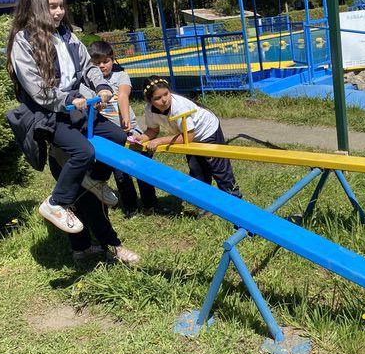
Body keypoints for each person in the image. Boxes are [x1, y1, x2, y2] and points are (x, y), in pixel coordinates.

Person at [6, 0, 127, 234]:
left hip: (74, 108)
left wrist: (102, 86)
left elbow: (87, 66)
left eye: (61, 6)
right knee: (83, 152)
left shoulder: (66, 35)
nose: (59, 12)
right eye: (52, 7)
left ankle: (95, 181)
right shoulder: (23, 41)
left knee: (117, 136)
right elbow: (38, 89)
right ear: (36, 7)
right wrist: (69, 100)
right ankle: (55, 203)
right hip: (47, 113)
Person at [135, 77, 242, 205]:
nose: (164, 100)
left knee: (219, 168)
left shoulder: (180, 107)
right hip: (186, 137)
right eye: (157, 98)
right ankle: (204, 204)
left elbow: (188, 137)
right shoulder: (149, 109)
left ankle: (235, 202)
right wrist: (141, 137)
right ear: (149, 100)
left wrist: (160, 141)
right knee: (197, 171)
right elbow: (153, 130)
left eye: (166, 94)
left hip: (206, 131)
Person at [84, 40, 157, 215]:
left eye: (106, 61)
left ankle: (150, 204)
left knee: (142, 165)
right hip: (112, 136)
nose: (102, 66)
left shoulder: (120, 76)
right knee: (121, 172)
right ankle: (131, 207)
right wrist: (96, 107)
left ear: (112, 59)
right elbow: (90, 107)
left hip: (130, 130)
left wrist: (125, 119)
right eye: (97, 63)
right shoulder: (88, 83)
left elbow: (123, 96)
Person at [49, 147, 140, 265]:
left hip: (61, 158)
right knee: (94, 203)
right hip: (75, 160)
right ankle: (114, 247)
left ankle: (81, 248)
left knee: (74, 203)